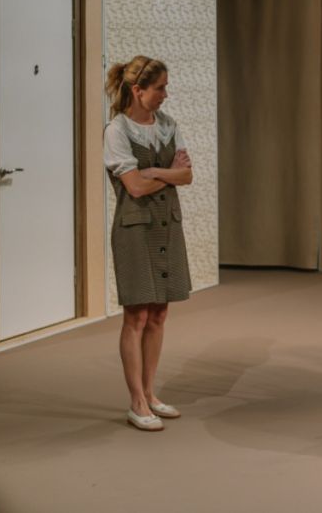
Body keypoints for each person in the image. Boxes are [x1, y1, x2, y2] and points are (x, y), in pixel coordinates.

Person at [103, 55, 194, 432]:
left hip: (167, 227)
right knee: (136, 316)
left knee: (159, 314)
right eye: (160, 88)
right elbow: (135, 188)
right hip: (135, 230)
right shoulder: (117, 130)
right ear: (138, 91)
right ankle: (136, 401)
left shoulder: (169, 125)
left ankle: (151, 394)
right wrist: (168, 173)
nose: (165, 94)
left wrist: (156, 170)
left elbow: (187, 176)